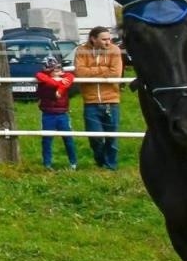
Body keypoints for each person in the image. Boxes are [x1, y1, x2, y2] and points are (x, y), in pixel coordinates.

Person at [73, 25, 123, 170]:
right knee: (94, 137)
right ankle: (100, 161)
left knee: (112, 137)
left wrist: (92, 72)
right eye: (104, 39)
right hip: (91, 101)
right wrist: (104, 70)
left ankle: (110, 166)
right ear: (93, 39)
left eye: (109, 39)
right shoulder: (82, 51)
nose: (108, 42)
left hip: (111, 100)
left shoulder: (115, 50)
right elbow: (80, 73)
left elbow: (116, 74)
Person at [34, 54, 77, 170]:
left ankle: (73, 163)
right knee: (47, 140)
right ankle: (47, 164)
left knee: (68, 139)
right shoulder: (43, 81)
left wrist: (60, 86)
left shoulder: (66, 79)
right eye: (54, 69)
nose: (58, 72)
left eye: (59, 68)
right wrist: (57, 84)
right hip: (48, 114)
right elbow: (41, 86)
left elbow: (70, 76)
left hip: (63, 113)